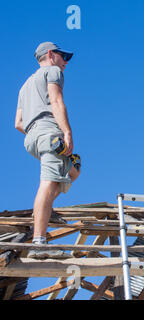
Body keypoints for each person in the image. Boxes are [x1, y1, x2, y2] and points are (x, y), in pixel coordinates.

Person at [15, 41, 80, 259]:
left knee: (74, 169)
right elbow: (56, 100)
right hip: (49, 131)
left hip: (32, 136)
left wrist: (37, 133)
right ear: (51, 55)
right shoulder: (52, 71)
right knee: (49, 181)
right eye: (64, 57)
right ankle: (39, 243)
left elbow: (18, 123)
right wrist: (67, 131)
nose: (66, 63)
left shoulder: (25, 85)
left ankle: (45, 209)